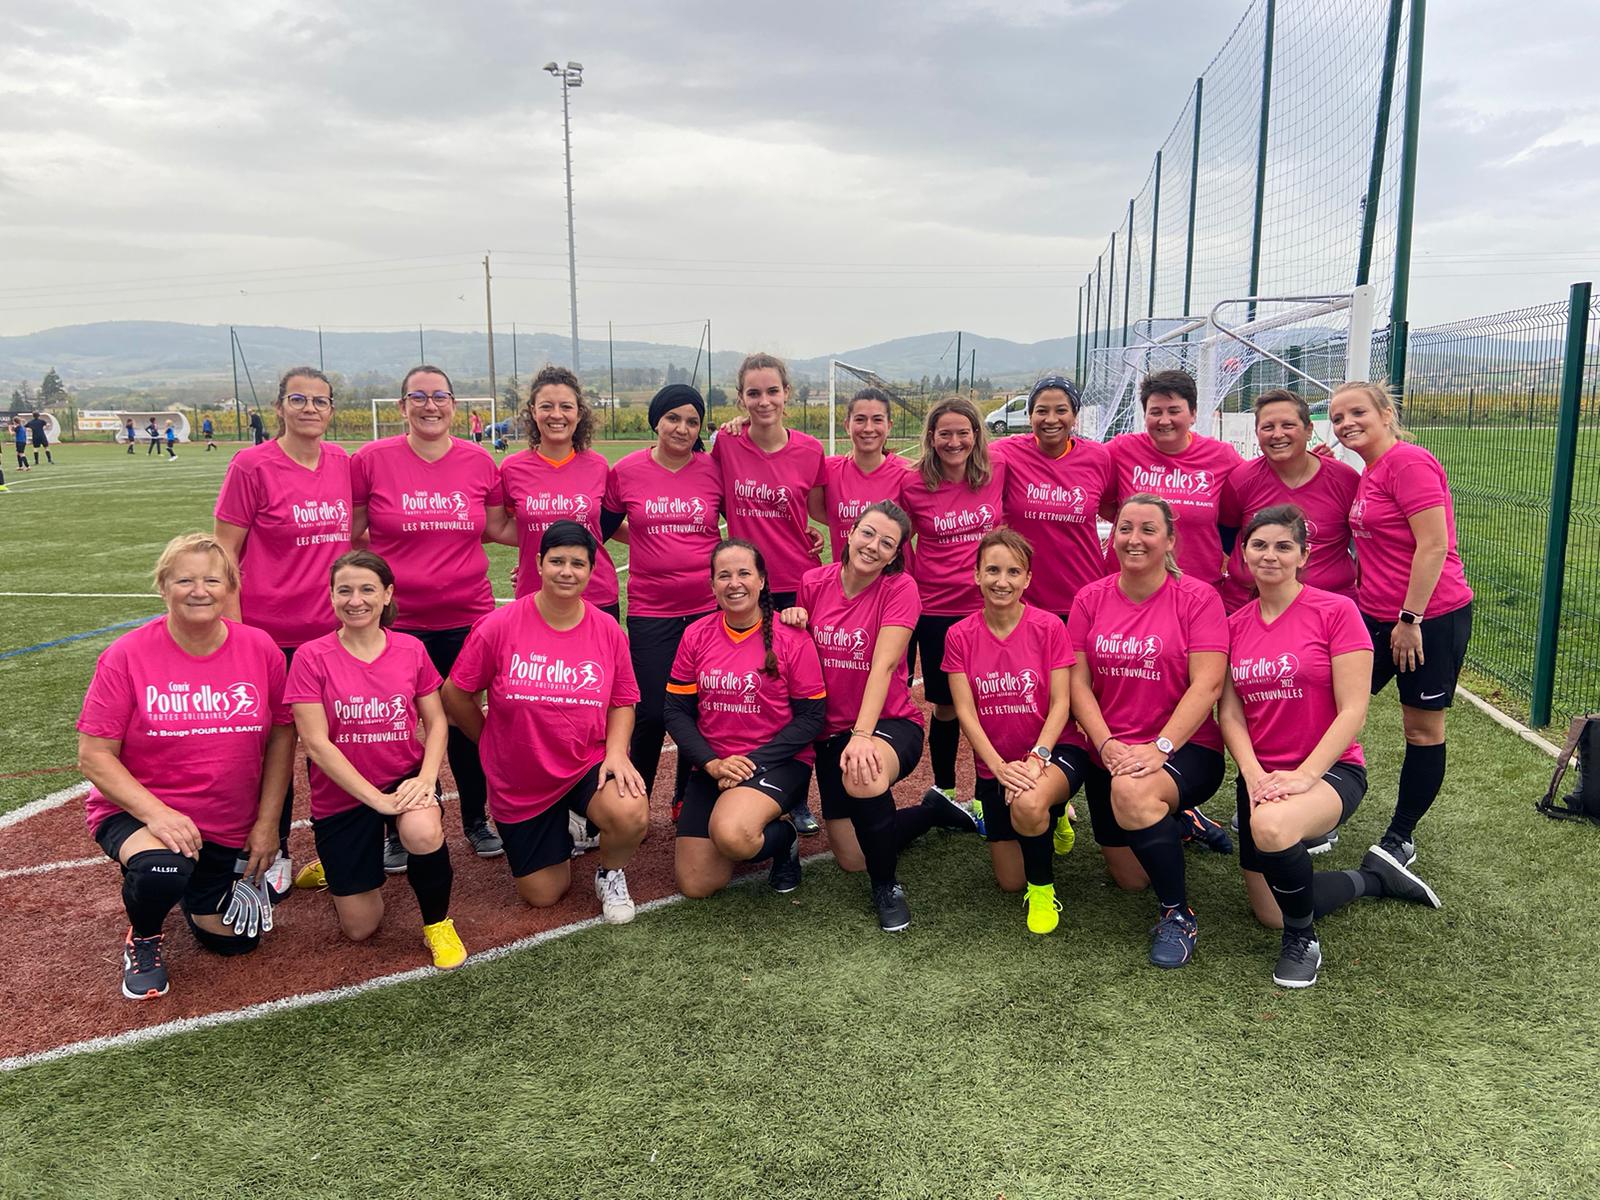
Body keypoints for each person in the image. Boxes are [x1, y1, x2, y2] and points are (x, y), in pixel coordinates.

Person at [1218, 504, 1441, 989]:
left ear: (1304, 555)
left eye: (1283, 546)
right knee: (1270, 911)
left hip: (1330, 772)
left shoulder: (1336, 612)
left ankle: (1303, 941)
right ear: (1244, 554)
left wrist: (1305, 776)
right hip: (1261, 777)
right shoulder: (1234, 625)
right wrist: (1252, 774)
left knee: (1273, 828)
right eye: (1259, 545)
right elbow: (1230, 715)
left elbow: (1352, 710)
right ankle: (1375, 878)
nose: (1270, 555)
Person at [75, 533, 295, 1000]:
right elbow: (93, 755)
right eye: (184, 580)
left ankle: (194, 889)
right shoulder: (127, 655)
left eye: (212, 580)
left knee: (237, 942)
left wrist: (267, 824)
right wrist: (157, 815)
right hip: (141, 812)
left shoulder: (259, 648)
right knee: (163, 868)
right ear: (163, 586)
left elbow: (282, 734)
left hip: (226, 822)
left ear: (230, 587)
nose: (199, 591)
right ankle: (144, 936)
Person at [781, 501, 977, 931]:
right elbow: (799, 655)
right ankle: (933, 811)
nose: (873, 546)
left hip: (888, 723)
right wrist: (794, 621)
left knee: (863, 772)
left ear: (894, 554)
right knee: (852, 857)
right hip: (831, 733)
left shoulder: (900, 588)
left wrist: (862, 734)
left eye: (887, 543)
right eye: (868, 534)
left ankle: (887, 886)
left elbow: (883, 666)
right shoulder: (813, 582)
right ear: (850, 532)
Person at [443, 522, 648, 921]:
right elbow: (455, 693)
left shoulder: (607, 629)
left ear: (591, 570)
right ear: (539, 563)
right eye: (557, 561)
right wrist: (488, 740)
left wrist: (617, 753)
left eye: (578, 563)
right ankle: (566, 826)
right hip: (521, 776)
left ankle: (609, 872)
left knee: (630, 811)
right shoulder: (499, 626)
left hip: (584, 761)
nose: (566, 572)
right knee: (544, 894)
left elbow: (623, 700)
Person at [352, 364, 513, 867]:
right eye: (418, 397)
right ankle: (399, 826)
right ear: (402, 406)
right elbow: (351, 532)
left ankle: (475, 819)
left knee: (464, 718)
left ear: (454, 405)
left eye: (439, 396)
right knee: (393, 727)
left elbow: (498, 528)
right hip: (396, 622)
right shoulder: (371, 459)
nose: (430, 405)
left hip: (468, 617)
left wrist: (559, 534)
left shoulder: (479, 461)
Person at [1067, 495, 1229, 968]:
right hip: (1112, 754)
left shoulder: (1198, 598)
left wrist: (1161, 747)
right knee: (1130, 878)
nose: (1134, 539)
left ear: (1170, 540)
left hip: (1184, 750)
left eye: (1148, 530)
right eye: (1125, 529)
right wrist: (1105, 742)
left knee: (1134, 794)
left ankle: (1178, 915)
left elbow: (1208, 683)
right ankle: (1181, 821)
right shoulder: (1090, 598)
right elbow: (1076, 682)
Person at [286, 550, 466, 969]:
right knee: (361, 928)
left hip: (403, 777)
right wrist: (377, 800)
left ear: (387, 594)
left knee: (422, 831)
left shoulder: (410, 649)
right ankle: (334, 864)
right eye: (344, 591)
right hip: (343, 791)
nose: (356, 600)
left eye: (367, 589)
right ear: (331, 596)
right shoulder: (311, 657)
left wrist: (426, 779)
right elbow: (316, 744)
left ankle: (438, 924)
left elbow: (437, 722)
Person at [215, 366, 353, 895]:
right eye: (299, 399)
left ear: (331, 409)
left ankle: (339, 847)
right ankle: (273, 850)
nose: (310, 409)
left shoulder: (342, 463)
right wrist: (236, 635)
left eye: (320, 401)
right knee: (271, 744)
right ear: (279, 407)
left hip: (332, 636)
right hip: (269, 636)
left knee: (334, 741)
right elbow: (224, 553)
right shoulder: (251, 465)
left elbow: (361, 533)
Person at [1332, 380, 1474, 874]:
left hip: (1429, 618)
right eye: (1338, 418)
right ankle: (1322, 809)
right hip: (1374, 616)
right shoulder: (1369, 471)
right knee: (1331, 704)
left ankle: (1401, 837)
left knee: (1421, 728)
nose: (1346, 423)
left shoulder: (1409, 462)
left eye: (1357, 412)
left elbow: (1434, 545)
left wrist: (1410, 619)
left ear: (1386, 414)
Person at [665, 539, 827, 899]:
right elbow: (675, 711)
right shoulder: (696, 634)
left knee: (733, 835)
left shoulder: (792, 637)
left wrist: (751, 763)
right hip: (716, 765)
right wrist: (712, 763)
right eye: (724, 576)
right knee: (696, 885)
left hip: (777, 762)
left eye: (744, 573)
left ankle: (783, 839)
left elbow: (811, 718)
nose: (734, 583)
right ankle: (749, 820)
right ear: (712, 585)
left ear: (762, 580)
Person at [946, 529, 1084, 935]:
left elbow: (1061, 703)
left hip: (1055, 752)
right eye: (992, 570)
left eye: (1013, 572)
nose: (1001, 581)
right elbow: (965, 712)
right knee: (1009, 881)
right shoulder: (959, 635)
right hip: (999, 766)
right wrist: (1000, 768)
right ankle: (1053, 816)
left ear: (1027, 579)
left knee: (1028, 803)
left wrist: (1037, 759)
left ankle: (1042, 891)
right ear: (976, 575)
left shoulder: (1049, 627)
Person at [711, 353, 827, 834]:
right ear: (741, 398)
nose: (764, 401)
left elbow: (818, 511)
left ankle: (795, 796)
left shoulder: (809, 450)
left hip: (797, 584)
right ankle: (744, 782)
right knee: (755, 692)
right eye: (753, 393)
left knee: (797, 696)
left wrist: (815, 538)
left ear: (787, 394)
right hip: (744, 587)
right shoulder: (726, 443)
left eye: (772, 391)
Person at [602, 383, 724, 818]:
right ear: (656, 421)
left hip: (710, 609)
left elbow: (746, 523)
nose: (682, 428)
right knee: (652, 712)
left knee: (702, 707)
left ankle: (687, 797)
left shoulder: (713, 469)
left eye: (692, 421)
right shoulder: (626, 471)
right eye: (673, 418)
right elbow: (598, 529)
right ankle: (634, 801)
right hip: (651, 611)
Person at [898, 396, 1007, 822]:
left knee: (990, 702)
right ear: (931, 436)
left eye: (963, 432)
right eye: (945, 433)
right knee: (945, 706)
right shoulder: (913, 483)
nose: (954, 441)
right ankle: (944, 788)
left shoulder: (998, 469)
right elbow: (899, 538)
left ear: (976, 435)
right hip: (936, 611)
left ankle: (986, 791)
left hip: (989, 607)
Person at [1219, 389, 1360, 614]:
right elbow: (1226, 534)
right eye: (1268, 427)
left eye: (1288, 425)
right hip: (1248, 606)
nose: (1277, 434)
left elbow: (1364, 543)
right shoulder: (1241, 480)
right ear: (1257, 433)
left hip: (1326, 610)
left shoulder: (1345, 480)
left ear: (1309, 430)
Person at [498, 365, 620, 621]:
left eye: (566, 406)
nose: (556, 414)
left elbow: (603, 525)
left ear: (579, 413)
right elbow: (500, 526)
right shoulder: (512, 468)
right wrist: (535, 547)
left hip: (596, 593)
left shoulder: (598, 466)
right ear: (533, 411)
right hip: (535, 592)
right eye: (546, 406)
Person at [1105, 369, 1243, 589]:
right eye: (1155, 412)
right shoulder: (1121, 450)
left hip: (1196, 589)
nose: (1164, 420)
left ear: (1193, 413)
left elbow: (1252, 498)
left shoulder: (1222, 457)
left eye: (1174, 411)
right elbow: (1095, 494)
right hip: (1129, 588)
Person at [813, 387, 914, 561]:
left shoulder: (908, 474)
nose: (868, 428)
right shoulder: (828, 469)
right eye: (860, 419)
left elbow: (915, 526)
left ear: (889, 426)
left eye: (877, 420)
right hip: (849, 575)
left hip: (896, 576)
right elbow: (815, 510)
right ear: (847, 425)